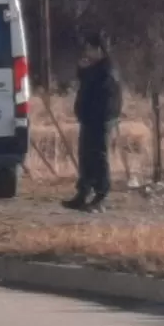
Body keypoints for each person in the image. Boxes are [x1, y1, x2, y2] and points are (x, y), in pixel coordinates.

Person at [65, 33, 123, 213]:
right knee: (85, 156)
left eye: (90, 48)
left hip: (100, 120)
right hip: (88, 119)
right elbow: (85, 83)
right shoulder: (94, 68)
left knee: (98, 156)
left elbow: (105, 98)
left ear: (99, 49)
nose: (87, 52)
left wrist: (98, 116)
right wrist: (82, 70)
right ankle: (83, 192)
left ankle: (101, 195)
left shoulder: (107, 71)